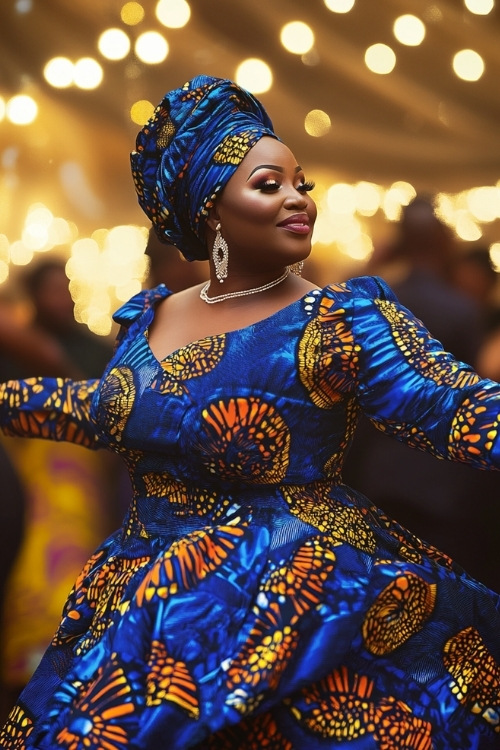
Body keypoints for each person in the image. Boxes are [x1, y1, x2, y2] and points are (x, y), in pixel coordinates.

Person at [0, 75, 498, 750]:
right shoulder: (149, 320)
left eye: (302, 184)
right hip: (139, 606)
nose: (298, 200)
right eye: (270, 185)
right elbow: (106, 411)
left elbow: (457, 407)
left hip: (290, 611)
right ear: (210, 208)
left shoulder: (341, 320)